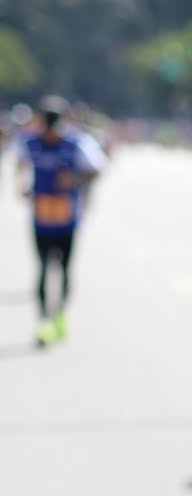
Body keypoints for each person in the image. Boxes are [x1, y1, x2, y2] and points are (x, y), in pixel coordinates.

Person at [17, 96, 108, 346]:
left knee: (65, 270)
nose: (50, 136)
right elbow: (21, 163)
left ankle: (60, 315)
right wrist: (23, 185)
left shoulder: (77, 143)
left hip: (68, 219)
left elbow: (98, 168)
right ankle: (44, 321)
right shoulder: (30, 142)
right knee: (43, 269)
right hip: (42, 218)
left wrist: (76, 180)